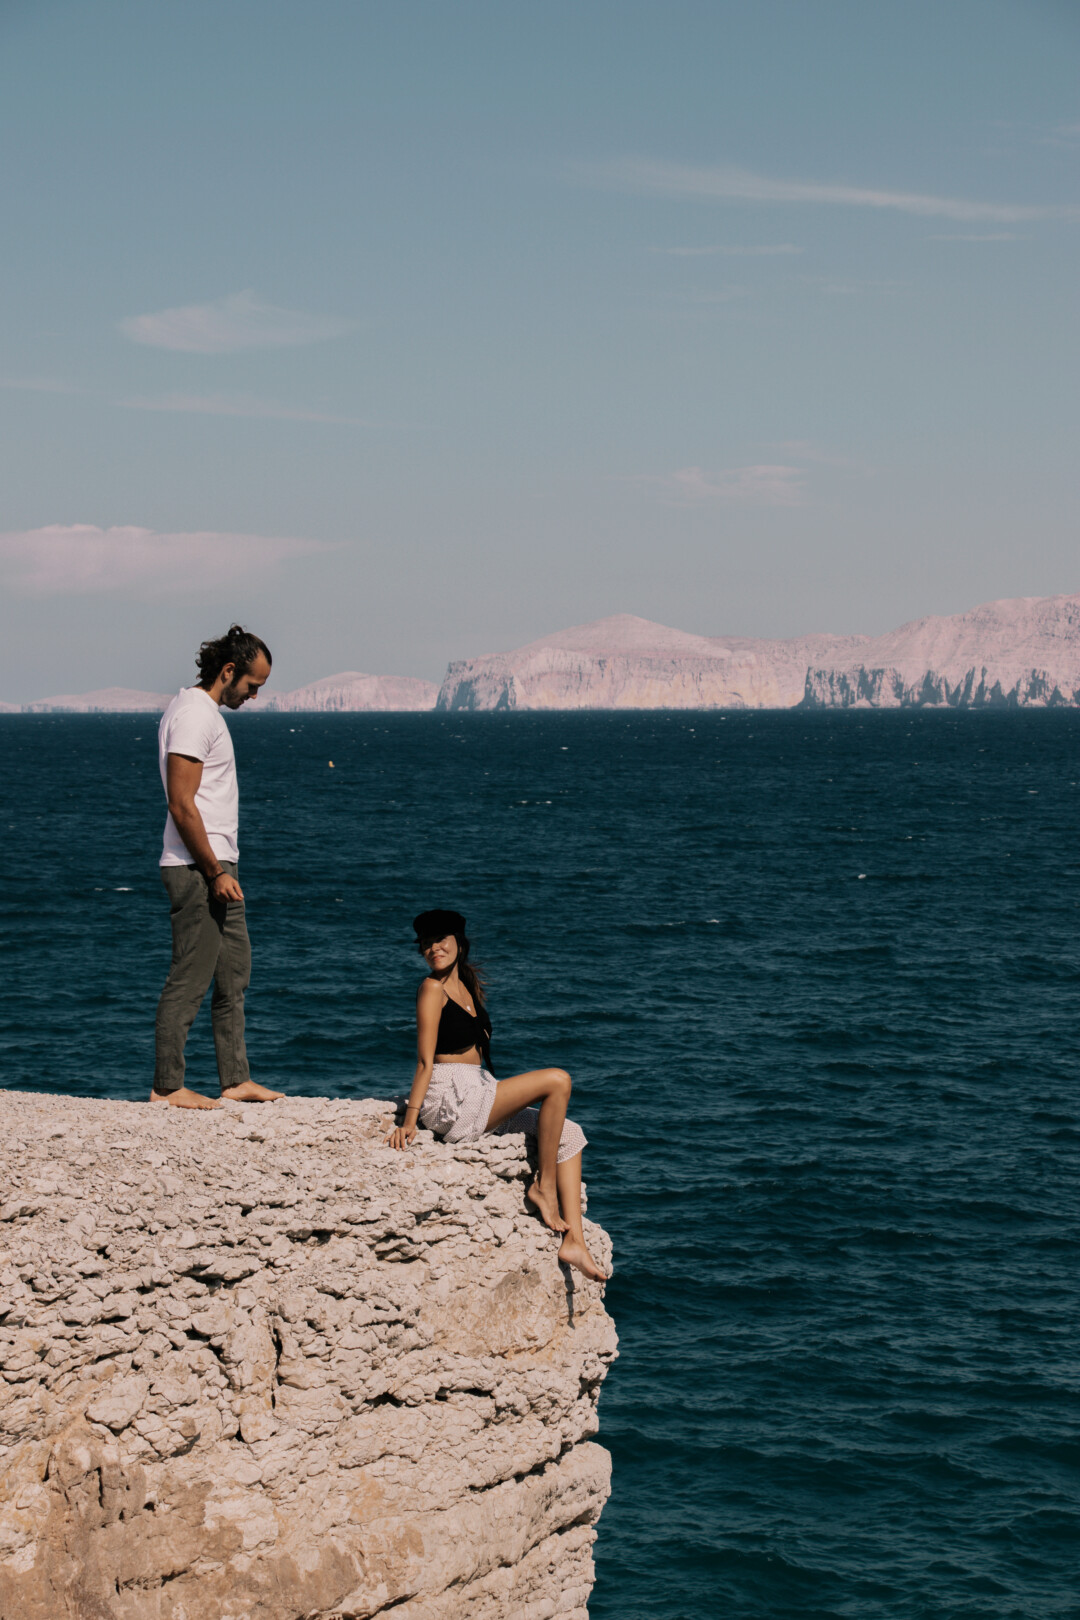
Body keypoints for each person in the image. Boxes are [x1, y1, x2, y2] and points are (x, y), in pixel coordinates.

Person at [388, 909, 605, 1280]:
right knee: (557, 1080)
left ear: (459, 942)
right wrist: (409, 1120)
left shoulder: (468, 985)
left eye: (441, 941)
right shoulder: (431, 989)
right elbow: (425, 1061)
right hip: (450, 1098)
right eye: (426, 944)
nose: (433, 949)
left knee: (570, 1134)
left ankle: (575, 1243)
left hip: (479, 1089)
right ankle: (544, 1188)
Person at [150, 624, 283, 1110]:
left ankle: (235, 1079)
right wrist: (214, 873)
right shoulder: (192, 715)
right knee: (191, 974)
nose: (253, 695)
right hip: (197, 866)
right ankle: (167, 1087)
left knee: (233, 972)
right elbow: (182, 804)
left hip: (217, 864)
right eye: (252, 685)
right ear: (229, 671)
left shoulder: (203, 713)